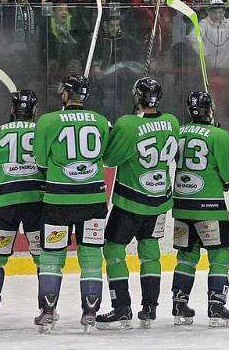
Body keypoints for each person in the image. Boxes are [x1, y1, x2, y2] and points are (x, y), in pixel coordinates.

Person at [96, 77, 180, 330]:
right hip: (159, 202)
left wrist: (113, 134)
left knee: (113, 249)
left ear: (136, 98)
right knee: (150, 250)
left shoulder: (127, 124)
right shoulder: (173, 122)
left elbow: (109, 159)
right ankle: (150, 307)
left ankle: (122, 307)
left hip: (130, 201)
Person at [32, 74, 114, 332]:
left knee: (51, 257)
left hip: (58, 200)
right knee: (91, 257)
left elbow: (41, 163)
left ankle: (47, 309)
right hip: (93, 200)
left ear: (66, 94)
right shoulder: (101, 121)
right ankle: (90, 311)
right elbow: (104, 156)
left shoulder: (48, 120)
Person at [170, 91, 229, 327]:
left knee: (186, 257)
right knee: (219, 256)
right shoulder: (219, 135)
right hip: (210, 206)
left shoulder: (178, 131)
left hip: (181, 205)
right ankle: (217, 307)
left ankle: (179, 306)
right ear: (210, 109)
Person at [0, 89, 44, 327]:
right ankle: (46, 307)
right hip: (35, 201)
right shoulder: (42, 130)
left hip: (4, 202)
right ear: (34, 110)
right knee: (43, 258)